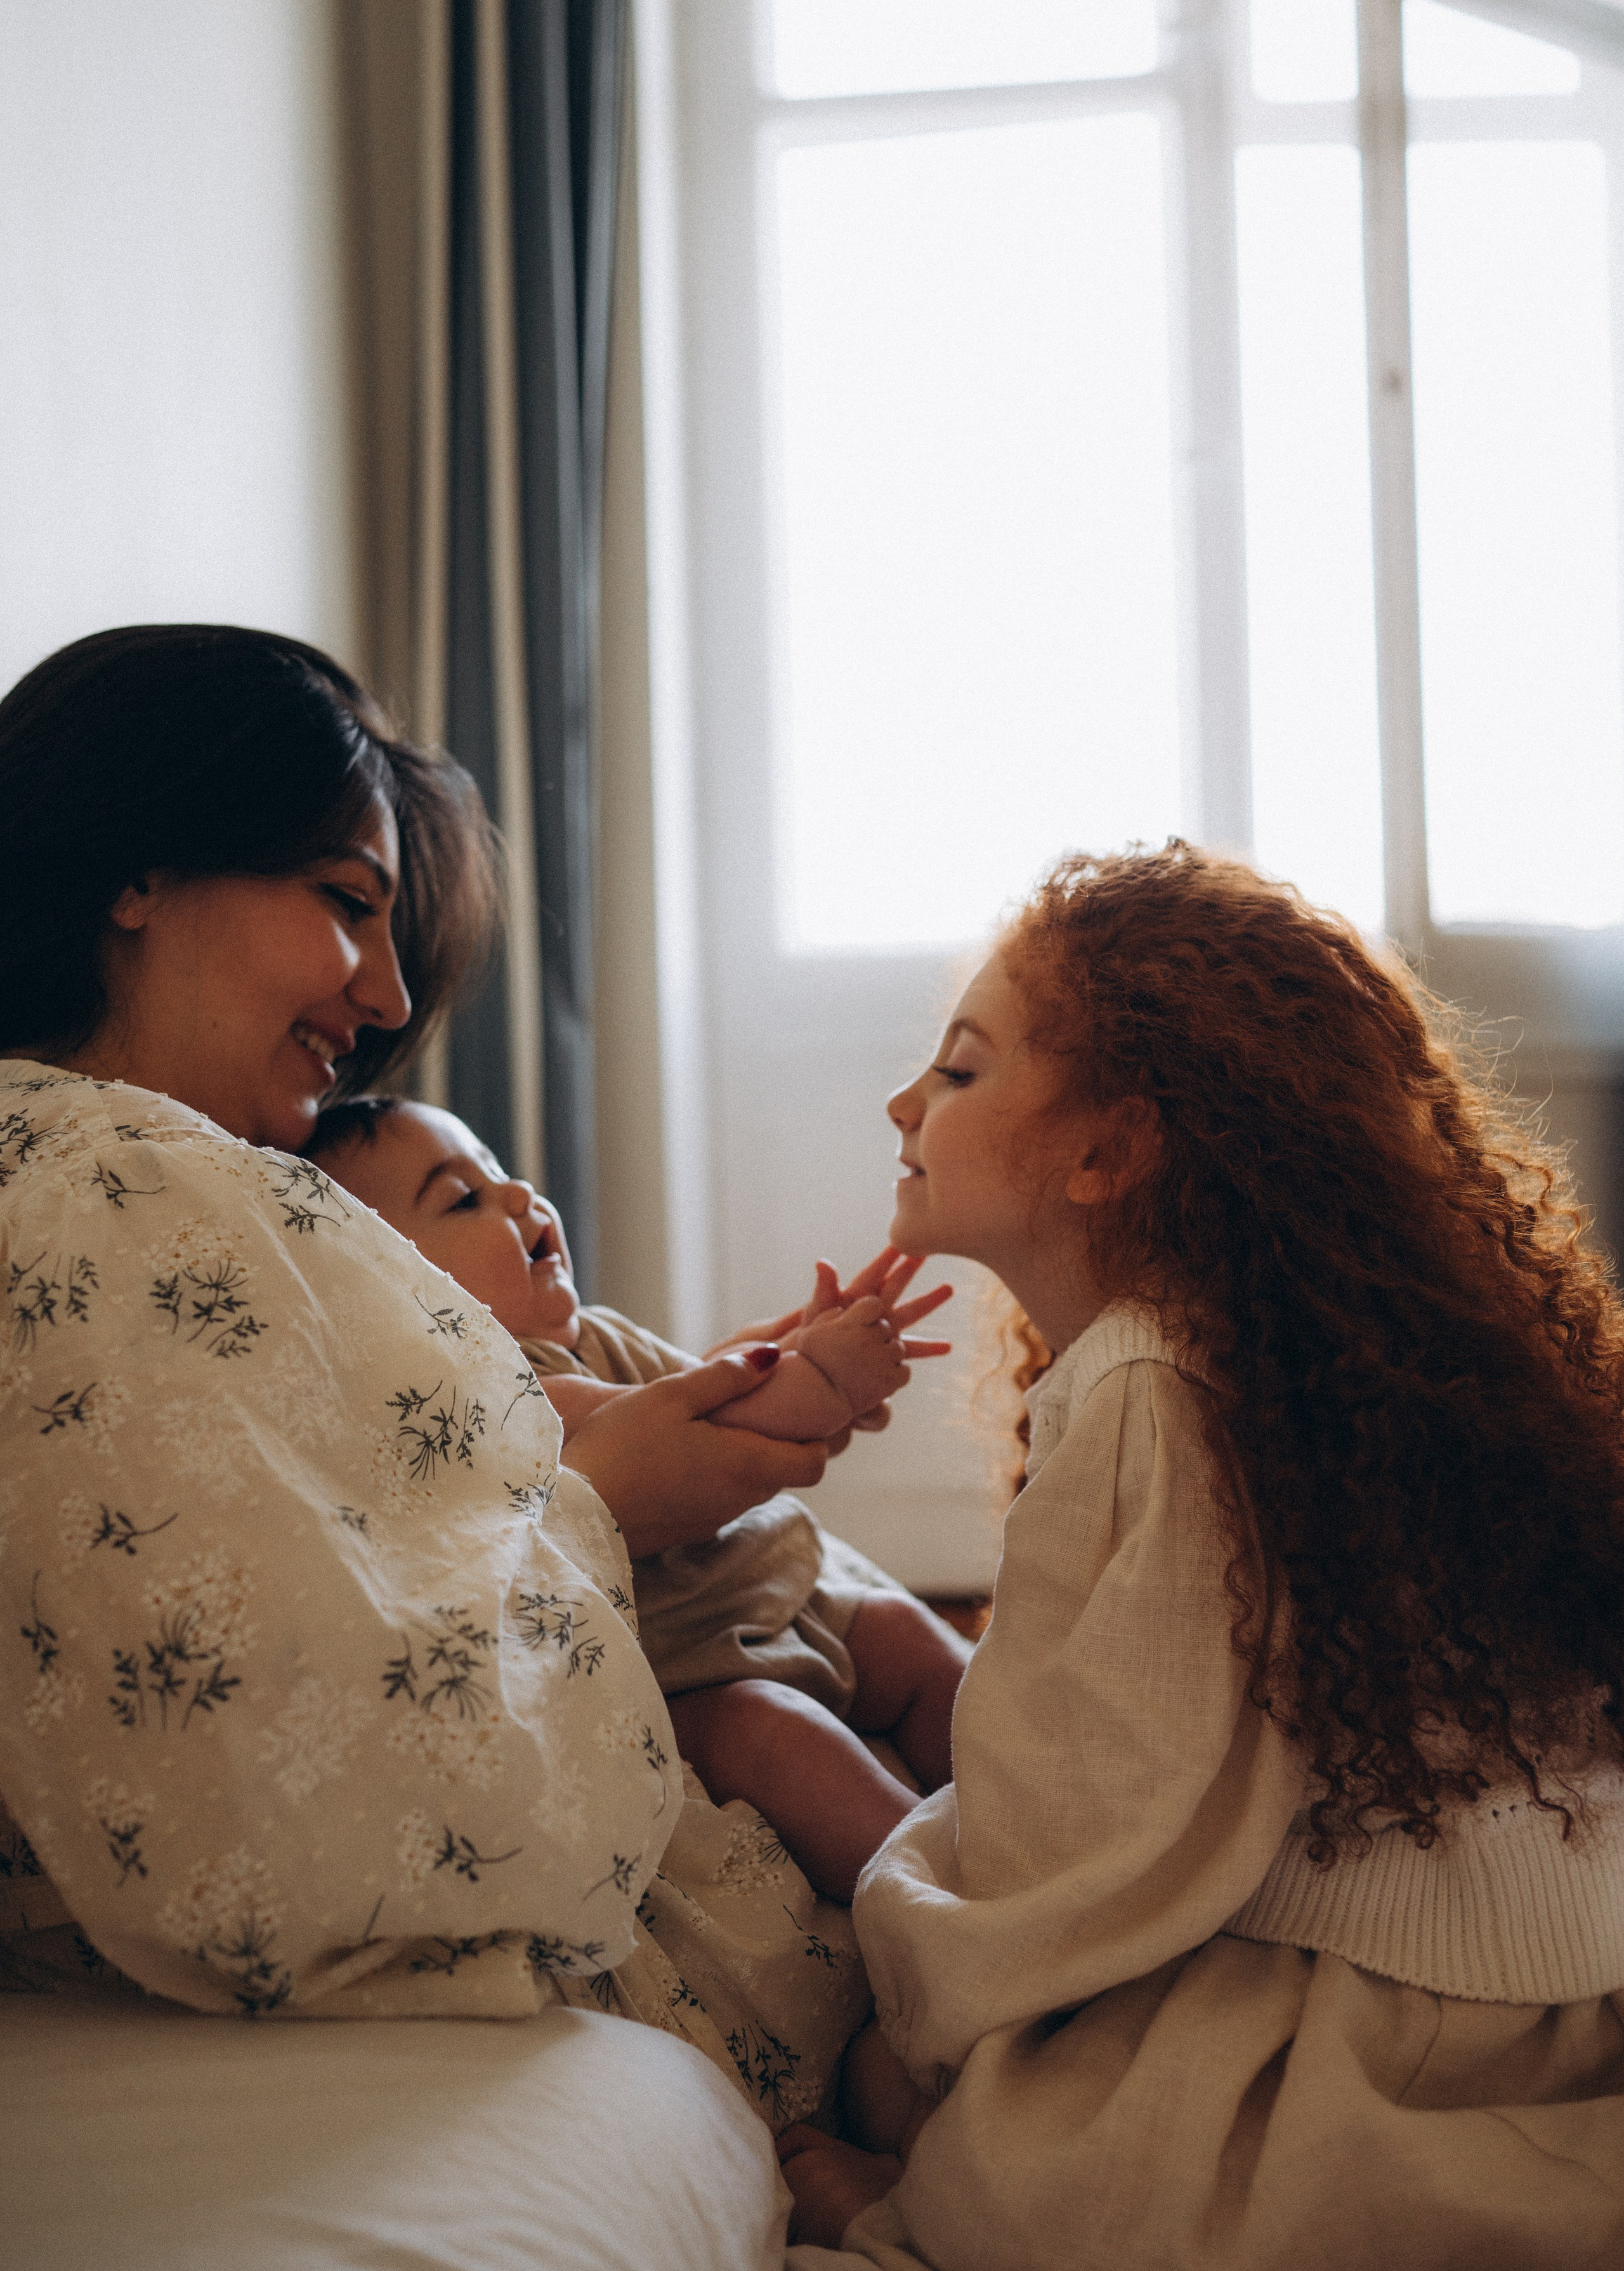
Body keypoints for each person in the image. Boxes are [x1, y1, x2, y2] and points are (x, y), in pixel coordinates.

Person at [0, 624, 869, 2131]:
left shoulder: (147, 1174)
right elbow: (286, 1771)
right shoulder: (109, 1182)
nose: (390, 996)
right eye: (347, 902)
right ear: (137, 867)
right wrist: (602, 1497)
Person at [781, 843, 1624, 2268]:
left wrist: (902, 1938)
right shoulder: (1245, 1370)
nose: (902, 1102)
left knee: (947, 2117)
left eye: (962, 1072)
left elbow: (1087, 1841)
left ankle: (904, 2203)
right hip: (1551, 1960)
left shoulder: (1142, 1390)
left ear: (1108, 1151)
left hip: (1429, 2009)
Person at [306, 1095, 971, 1901]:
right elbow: (703, 1418)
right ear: (392, 1298)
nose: (519, 1196)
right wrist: (822, 1380)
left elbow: (710, 1374)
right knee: (777, 1737)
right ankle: (942, 1910)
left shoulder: (597, 1332)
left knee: (906, 1634)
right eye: (464, 1198)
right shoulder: (494, 1390)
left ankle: (1041, 1808)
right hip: (687, 1671)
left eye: (501, 1171)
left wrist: (797, 1346)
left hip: (774, 1603)